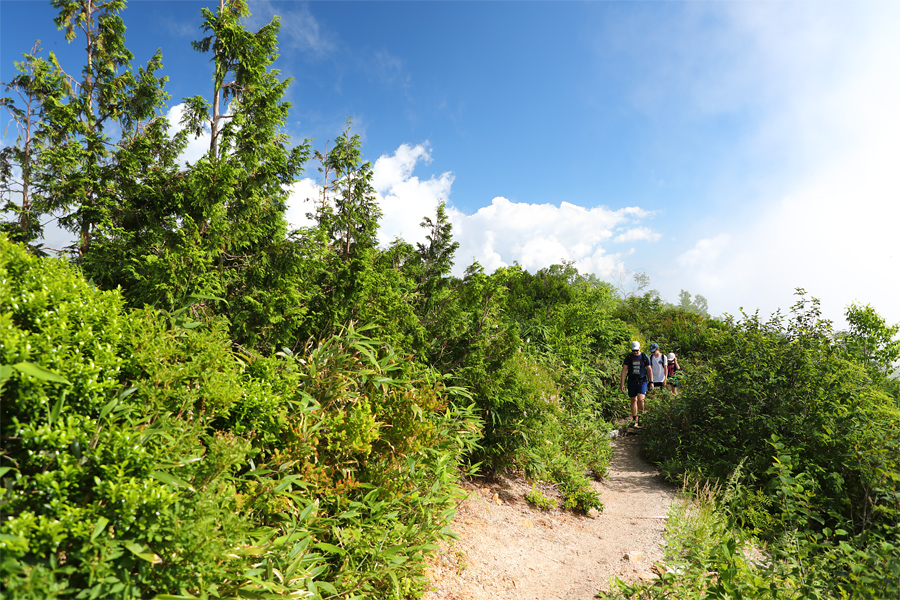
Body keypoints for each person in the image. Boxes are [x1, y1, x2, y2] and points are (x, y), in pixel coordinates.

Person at [620, 341, 652, 426]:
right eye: (634, 350)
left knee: (641, 398)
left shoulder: (644, 356)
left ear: (640, 348)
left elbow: (649, 369)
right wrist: (622, 383)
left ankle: (641, 417)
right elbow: (624, 370)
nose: (635, 352)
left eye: (637, 350)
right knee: (633, 399)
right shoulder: (629, 357)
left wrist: (651, 381)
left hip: (642, 380)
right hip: (632, 381)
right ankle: (634, 418)